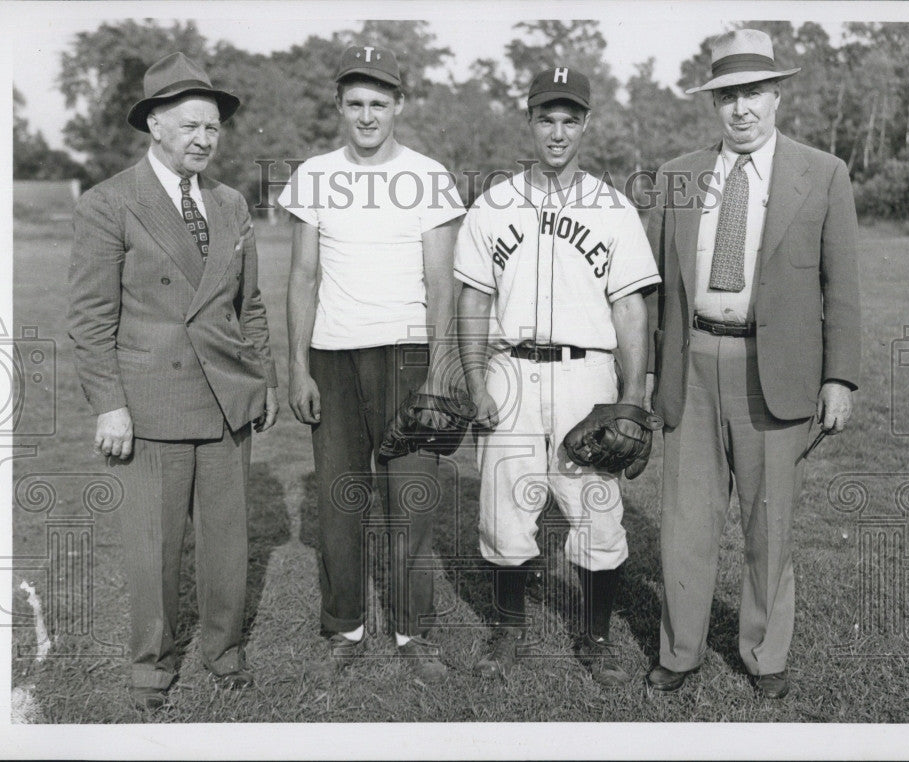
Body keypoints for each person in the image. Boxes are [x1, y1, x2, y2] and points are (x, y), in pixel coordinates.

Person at [644, 28, 860, 699]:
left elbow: (842, 286)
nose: (742, 108)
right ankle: (681, 652)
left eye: (754, 92)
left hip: (777, 371)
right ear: (714, 104)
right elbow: (656, 289)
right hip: (693, 365)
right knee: (685, 521)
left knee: (769, 525)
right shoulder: (677, 176)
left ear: (777, 97)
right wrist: (648, 375)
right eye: (728, 95)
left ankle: (766, 655)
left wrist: (839, 376)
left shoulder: (822, 173)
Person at [67, 52, 278, 711]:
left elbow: (252, 305)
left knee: (227, 544)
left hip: (225, 401)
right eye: (189, 126)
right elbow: (90, 316)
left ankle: (222, 653)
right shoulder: (110, 204)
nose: (204, 139)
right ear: (155, 126)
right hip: (150, 402)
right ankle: (151, 665)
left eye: (212, 128)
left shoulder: (231, 202)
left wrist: (261, 379)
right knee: (153, 546)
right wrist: (109, 405)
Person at [455, 67, 661, 686]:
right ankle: (509, 629)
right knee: (502, 509)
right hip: (509, 370)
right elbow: (472, 300)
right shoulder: (494, 204)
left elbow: (631, 307)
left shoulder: (613, 207)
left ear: (586, 125)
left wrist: (631, 397)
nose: (558, 131)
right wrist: (472, 384)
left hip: (585, 374)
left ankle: (595, 638)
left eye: (570, 119)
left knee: (596, 509)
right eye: (547, 117)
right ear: (530, 120)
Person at [279, 45, 465, 684]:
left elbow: (442, 282)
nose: (366, 116)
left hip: (408, 356)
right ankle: (346, 627)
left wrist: (441, 370)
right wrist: (296, 367)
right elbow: (302, 276)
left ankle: (414, 633)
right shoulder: (313, 175)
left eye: (378, 104)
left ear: (399, 106)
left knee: (411, 500)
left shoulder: (429, 175)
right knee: (340, 499)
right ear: (339, 106)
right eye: (355, 103)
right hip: (332, 354)